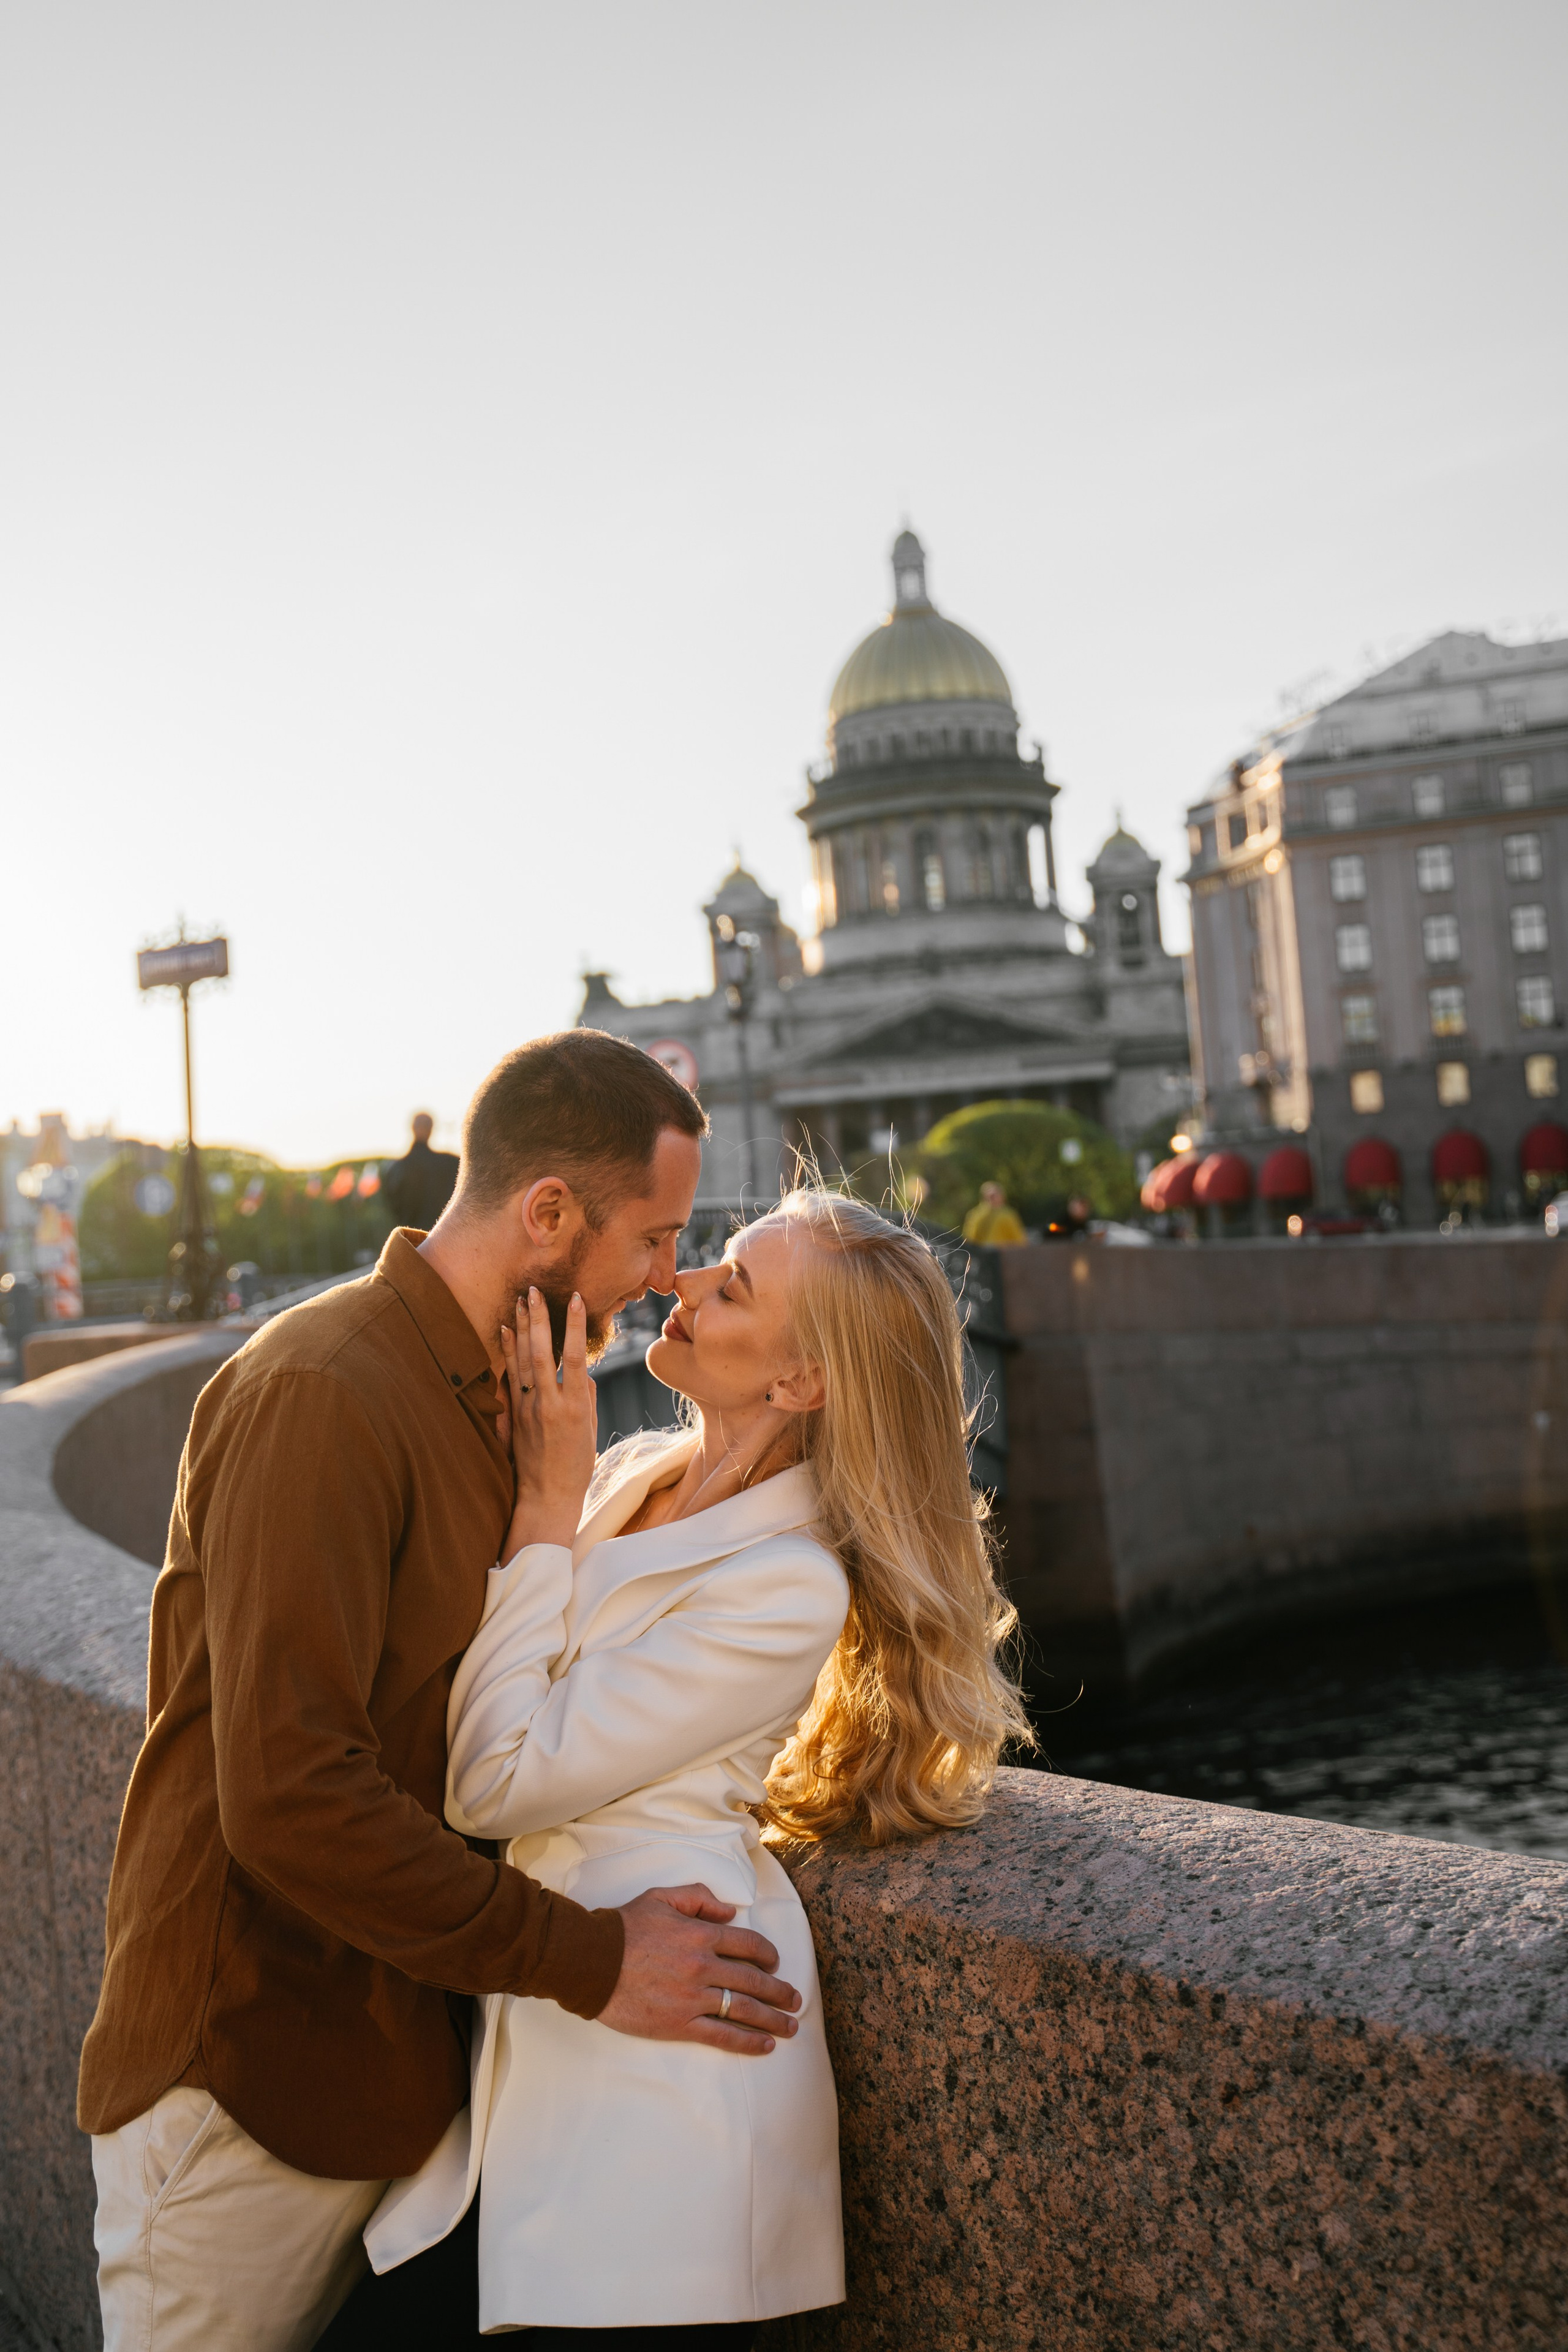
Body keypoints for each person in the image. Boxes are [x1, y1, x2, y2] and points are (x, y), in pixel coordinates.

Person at [80, 1031, 808, 2352]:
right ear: (549, 1214)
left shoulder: (507, 1403)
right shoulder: (324, 1390)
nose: (666, 1278)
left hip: (391, 2075)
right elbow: (291, 1795)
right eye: (654, 1237)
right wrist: (593, 1961)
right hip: (247, 2082)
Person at [345, 1186, 1031, 2343]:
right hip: (545, 2034)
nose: (686, 1280)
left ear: (800, 1382)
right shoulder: (633, 1473)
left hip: (668, 2109)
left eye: (736, 1286)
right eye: (714, 1259)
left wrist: (542, 1503)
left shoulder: (789, 1582)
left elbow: (493, 1782)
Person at [380, 1110, 461, 1231]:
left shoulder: (396, 1168)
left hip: (410, 1237)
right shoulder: (451, 1163)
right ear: (432, 1129)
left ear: (412, 1128)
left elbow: (392, 1206)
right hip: (444, 1235)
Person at [962, 1178, 1027, 1245]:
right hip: (982, 1251)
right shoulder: (975, 1215)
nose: (992, 1198)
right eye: (990, 1196)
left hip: (1003, 1250)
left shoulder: (1008, 1215)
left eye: (994, 1195)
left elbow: (1020, 1240)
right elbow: (970, 1239)